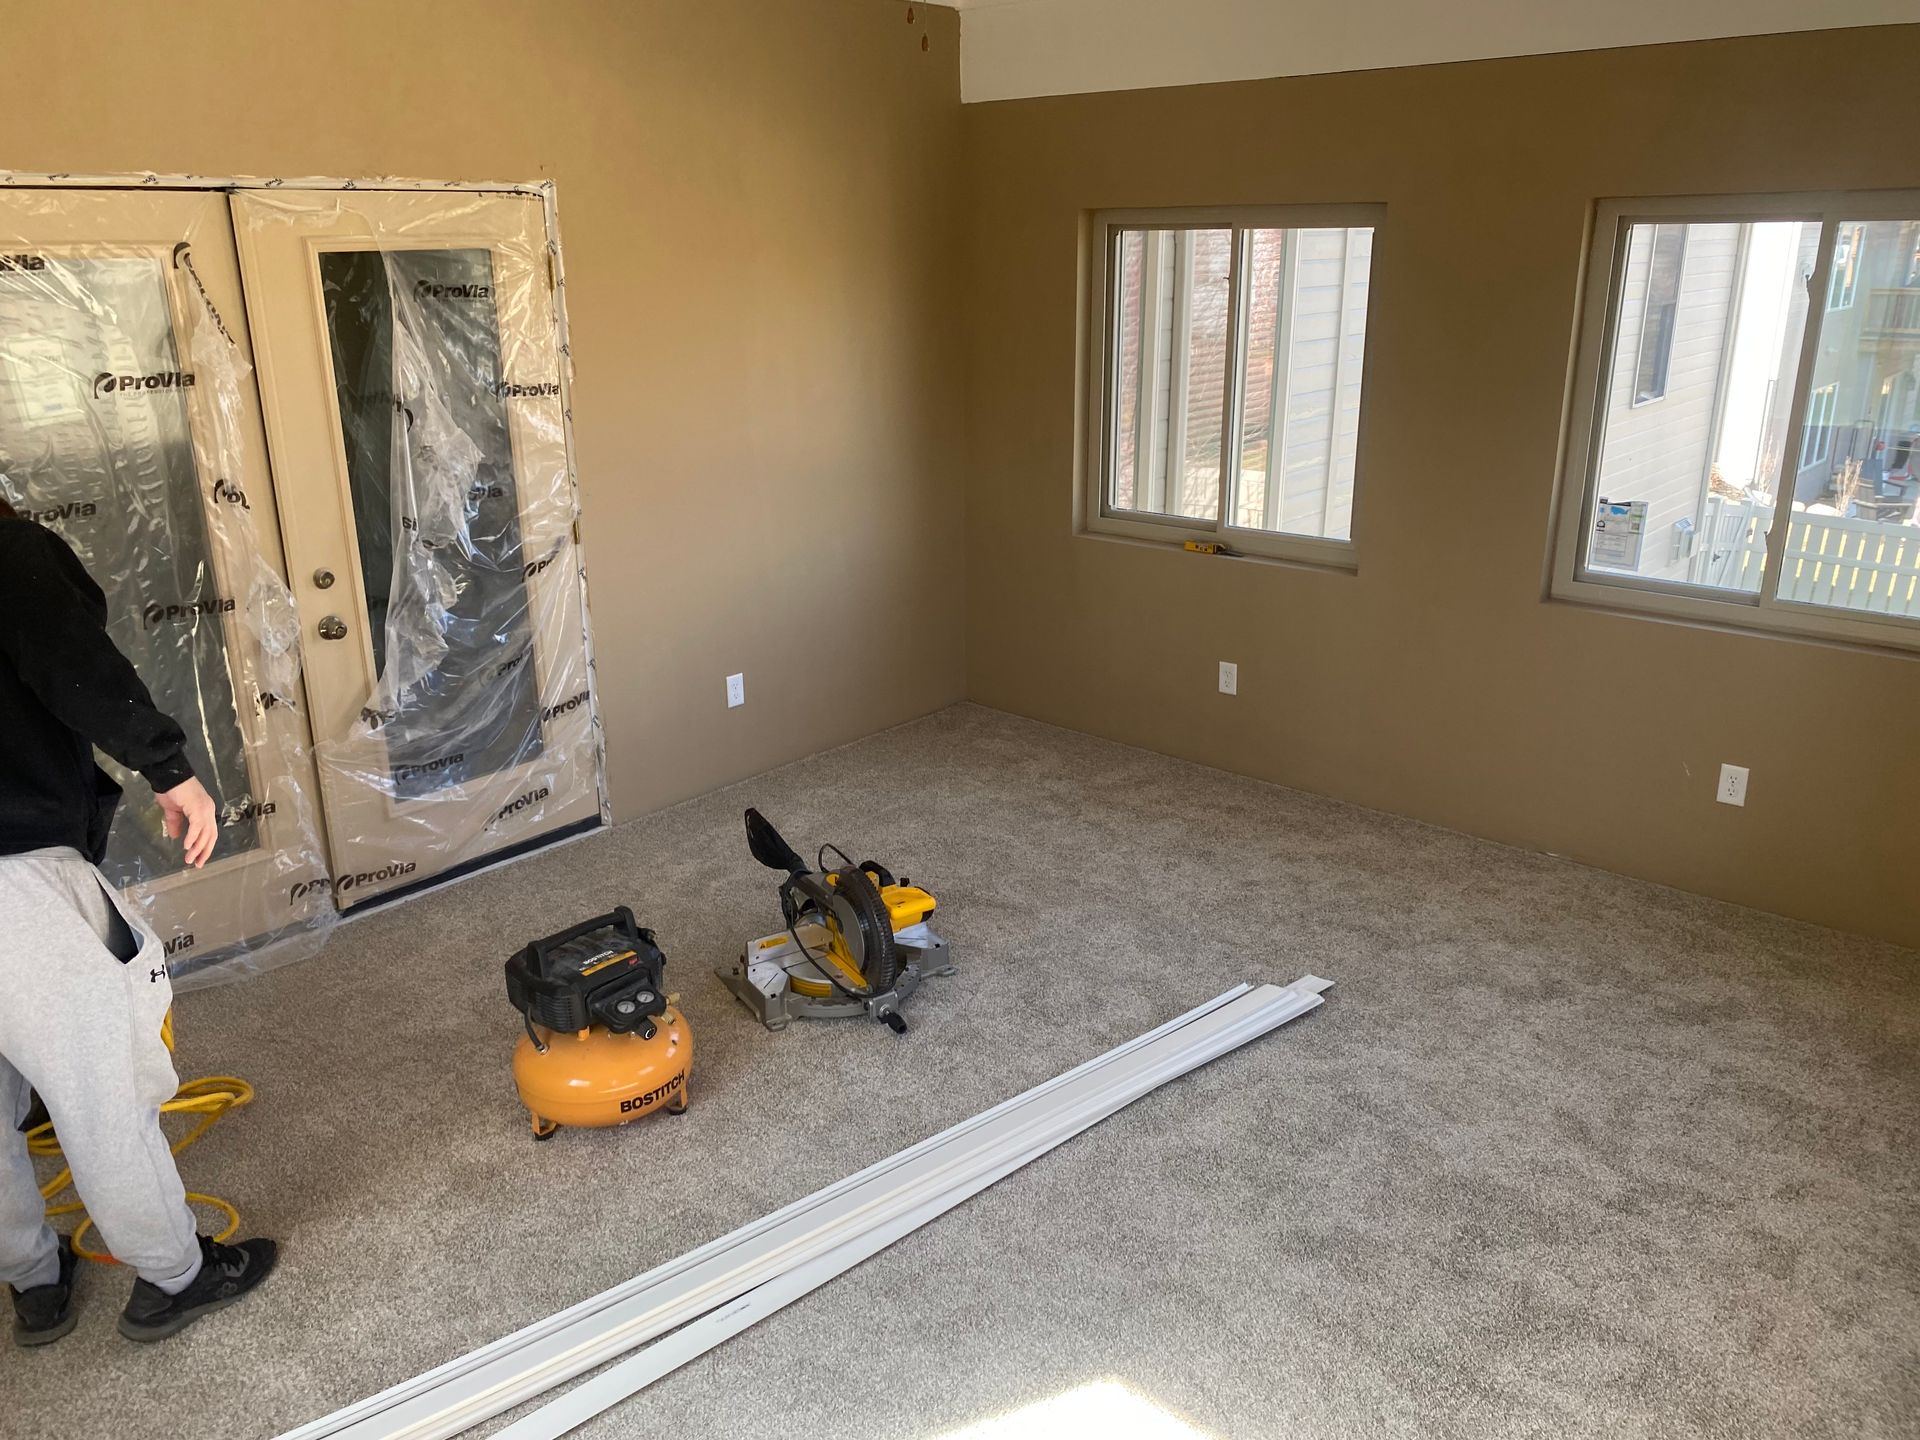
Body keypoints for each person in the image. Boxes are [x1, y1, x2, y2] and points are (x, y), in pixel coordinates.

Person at [0, 494, 277, 1345]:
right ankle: (175, 1277)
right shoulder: (9, 554)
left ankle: (33, 1280)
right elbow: (73, 661)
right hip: (16, 879)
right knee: (102, 1090)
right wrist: (168, 767)